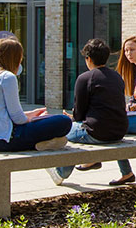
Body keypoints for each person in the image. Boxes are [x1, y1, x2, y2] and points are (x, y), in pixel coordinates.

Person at [75, 36, 136, 186]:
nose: (128, 53)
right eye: (126, 50)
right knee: (112, 123)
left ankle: (94, 159)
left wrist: (130, 108)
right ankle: (126, 172)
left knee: (109, 123)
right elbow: (134, 98)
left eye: (132, 49)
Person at [46, 39, 130, 185]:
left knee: (66, 130)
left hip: (97, 133)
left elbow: (79, 115)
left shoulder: (84, 78)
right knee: (103, 123)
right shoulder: (117, 77)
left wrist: (72, 118)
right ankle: (119, 169)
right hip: (119, 131)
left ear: (88, 59)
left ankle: (61, 172)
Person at [0, 38, 70, 152]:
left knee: (48, 121)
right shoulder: (7, 77)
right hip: (4, 139)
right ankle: (39, 143)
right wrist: (36, 119)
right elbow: (18, 119)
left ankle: (42, 143)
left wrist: (30, 114)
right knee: (64, 121)